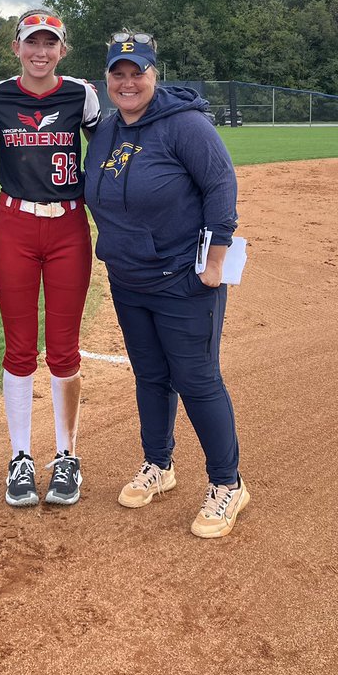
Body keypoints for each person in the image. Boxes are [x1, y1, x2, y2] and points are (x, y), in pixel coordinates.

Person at [83, 32, 249, 538]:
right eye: (119, 73)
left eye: (139, 72)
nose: (129, 82)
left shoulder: (184, 125)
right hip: (128, 277)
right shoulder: (108, 131)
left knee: (197, 380)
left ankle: (228, 484)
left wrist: (215, 259)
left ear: (155, 74)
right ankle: (159, 465)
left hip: (182, 277)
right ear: (107, 79)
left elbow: (221, 184)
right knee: (151, 375)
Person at [0, 9, 101, 506]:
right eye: (32, 42)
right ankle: (21, 457)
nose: (40, 52)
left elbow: (109, 151)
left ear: (62, 50)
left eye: (50, 43)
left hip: (69, 226)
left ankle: (67, 456)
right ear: (16, 47)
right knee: (20, 346)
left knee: (65, 347)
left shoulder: (81, 94)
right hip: (16, 226)